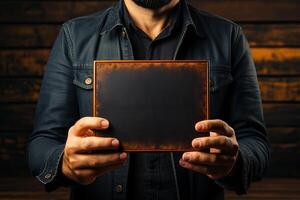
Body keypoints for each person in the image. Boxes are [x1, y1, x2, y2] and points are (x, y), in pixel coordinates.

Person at [27, 0, 270, 199]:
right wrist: (65, 163)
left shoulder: (228, 36)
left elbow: (256, 143)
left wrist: (235, 161)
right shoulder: (74, 36)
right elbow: (42, 144)